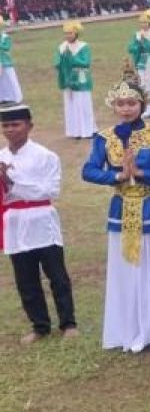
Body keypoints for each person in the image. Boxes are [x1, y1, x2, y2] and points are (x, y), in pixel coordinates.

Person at [81, 78, 150, 352]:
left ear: (142, 104)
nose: (126, 109)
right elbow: (89, 170)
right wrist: (118, 175)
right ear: (114, 106)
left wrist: (141, 174)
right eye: (121, 104)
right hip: (121, 209)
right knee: (127, 270)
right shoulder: (104, 138)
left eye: (131, 103)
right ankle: (130, 326)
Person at [1, 104, 77, 345]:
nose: (11, 130)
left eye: (16, 124)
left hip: (41, 219)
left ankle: (68, 323)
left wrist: (13, 183)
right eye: (6, 125)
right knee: (26, 279)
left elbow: (50, 189)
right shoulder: (1, 157)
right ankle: (40, 325)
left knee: (57, 275)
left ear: (29, 126)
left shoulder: (45, 156)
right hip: (14, 223)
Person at [55, 20, 96, 139]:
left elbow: (86, 62)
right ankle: (74, 131)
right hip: (67, 78)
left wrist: (72, 58)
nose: (67, 36)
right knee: (71, 104)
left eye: (70, 33)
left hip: (80, 78)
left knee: (83, 103)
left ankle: (88, 130)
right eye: (66, 33)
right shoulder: (62, 47)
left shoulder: (83, 46)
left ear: (76, 33)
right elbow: (57, 62)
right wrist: (61, 61)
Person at [0, 16, 21, 104]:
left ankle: (16, 97)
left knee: (11, 79)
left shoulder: (5, 36)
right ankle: (3, 97)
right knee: (2, 81)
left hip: (6, 62)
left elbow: (7, 47)